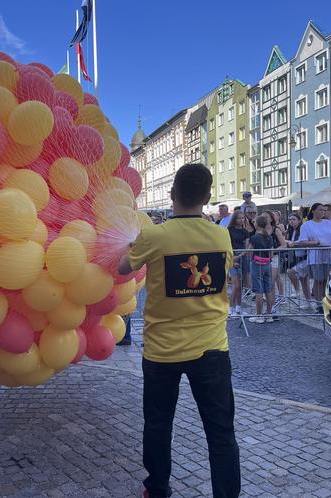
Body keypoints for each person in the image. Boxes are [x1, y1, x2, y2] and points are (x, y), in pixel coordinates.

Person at [118, 163, 240, 498]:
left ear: (172, 195)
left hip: (162, 350)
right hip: (213, 348)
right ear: (207, 197)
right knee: (221, 432)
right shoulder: (221, 234)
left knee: (158, 425)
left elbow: (122, 267)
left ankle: (157, 489)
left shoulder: (154, 236)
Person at [294, 203, 331, 313]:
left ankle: (328, 303)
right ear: (313, 211)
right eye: (320, 209)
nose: (322, 212)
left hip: (329, 256)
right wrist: (315, 243)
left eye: (324, 210)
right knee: (318, 281)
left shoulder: (329, 223)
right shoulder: (307, 225)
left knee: (328, 281)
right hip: (315, 257)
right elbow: (302, 241)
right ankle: (319, 304)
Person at [248, 216, 275, 323]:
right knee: (268, 289)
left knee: (258, 290)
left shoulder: (254, 237)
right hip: (267, 264)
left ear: (257, 224)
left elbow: (249, 251)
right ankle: (268, 315)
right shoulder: (269, 236)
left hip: (256, 264)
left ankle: (258, 316)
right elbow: (271, 253)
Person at [262, 210, 286, 309]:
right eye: (263, 217)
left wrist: (274, 251)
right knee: (267, 282)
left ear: (271, 218)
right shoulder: (260, 230)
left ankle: (272, 307)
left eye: (267, 217)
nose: (265, 219)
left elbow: (284, 245)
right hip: (262, 258)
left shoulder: (276, 230)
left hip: (274, 258)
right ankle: (270, 306)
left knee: (270, 281)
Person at [284, 213, 310, 304]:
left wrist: (293, 242)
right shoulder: (291, 231)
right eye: (290, 219)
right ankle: (308, 302)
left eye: (294, 219)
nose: (291, 221)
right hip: (296, 258)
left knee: (291, 272)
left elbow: (303, 241)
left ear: (299, 220)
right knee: (304, 280)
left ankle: (298, 292)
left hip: (305, 257)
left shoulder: (303, 229)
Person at [227, 211, 248, 316]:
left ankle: (238, 308)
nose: (241, 220)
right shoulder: (229, 230)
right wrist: (232, 259)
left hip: (242, 257)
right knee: (236, 285)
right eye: (239, 218)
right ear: (234, 219)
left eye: (243, 218)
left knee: (241, 286)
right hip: (232, 256)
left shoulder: (245, 232)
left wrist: (241, 256)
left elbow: (247, 247)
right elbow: (227, 246)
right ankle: (231, 308)